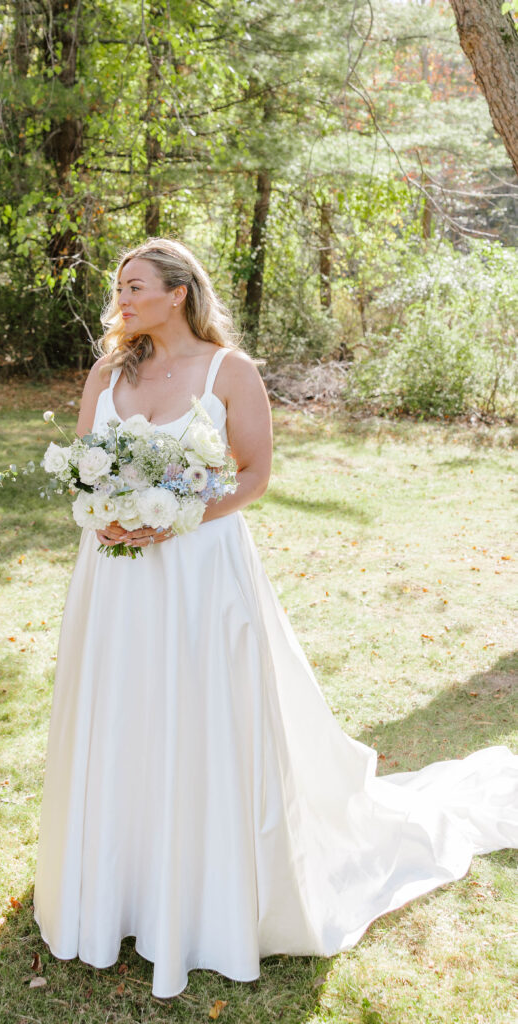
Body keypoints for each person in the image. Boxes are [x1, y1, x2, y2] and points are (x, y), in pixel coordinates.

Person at [32, 238, 518, 999]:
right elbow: (87, 462)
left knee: (198, 717)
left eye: (136, 285)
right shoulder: (108, 371)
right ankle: (115, 880)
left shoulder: (231, 372)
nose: (121, 298)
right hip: (115, 576)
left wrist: (177, 517)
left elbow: (254, 474)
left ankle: (202, 889)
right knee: (122, 711)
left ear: (179, 293)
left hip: (200, 570)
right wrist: (103, 515)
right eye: (119, 287)